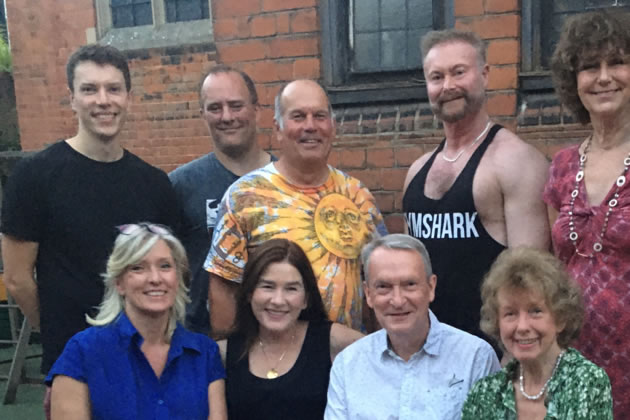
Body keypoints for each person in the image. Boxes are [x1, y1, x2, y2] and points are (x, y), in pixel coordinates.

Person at [1, 44, 179, 378]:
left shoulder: (154, 184)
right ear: (72, 98)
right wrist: (61, 331)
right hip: (72, 362)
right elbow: (17, 277)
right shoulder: (35, 177)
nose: (103, 100)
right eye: (89, 89)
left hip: (144, 358)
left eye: (113, 89)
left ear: (128, 97)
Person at [205, 79, 387, 337]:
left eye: (320, 116)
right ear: (278, 128)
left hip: (348, 360)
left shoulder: (358, 197)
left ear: (332, 127)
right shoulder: (244, 197)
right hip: (273, 364)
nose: (310, 126)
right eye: (298, 117)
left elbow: (379, 282)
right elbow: (223, 290)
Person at [402, 29, 550, 344]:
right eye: (436, 77)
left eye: (459, 72)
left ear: (484, 75)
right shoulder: (416, 171)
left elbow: (533, 281)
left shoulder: (515, 161)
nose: (448, 86)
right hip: (426, 356)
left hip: (489, 361)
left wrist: (512, 366)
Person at [46, 223, 227, 419]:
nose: (155, 278)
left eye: (165, 266)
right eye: (138, 268)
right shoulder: (82, 352)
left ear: (178, 277)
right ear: (119, 283)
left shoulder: (204, 353)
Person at [545, 10, 630, 416]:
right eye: (589, 67)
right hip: (576, 357)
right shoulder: (562, 165)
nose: (603, 77)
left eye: (617, 62)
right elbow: (556, 270)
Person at [325, 234, 499, 420]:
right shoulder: (348, 365)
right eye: (384, 286)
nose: (398, 300)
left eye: (409, 285)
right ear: (368, 294)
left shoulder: (475, 358)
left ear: (431, 287)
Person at [169, 65, 273, 335]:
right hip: (204, 343)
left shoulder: (286, 182)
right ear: (202, 114)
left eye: (236, 106)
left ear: (256, 110)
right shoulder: (180, 185)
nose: (227, 117)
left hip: (280, 342)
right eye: (215, 108)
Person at [462, 247, 612, 419]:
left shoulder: (587, 383)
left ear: (561, 317)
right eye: (510, 313)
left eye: (535, 311)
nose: (522, 326)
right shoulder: (485, 393)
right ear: (497, 322)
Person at [221, 238, 362, 420]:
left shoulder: (337, 343)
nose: (278, 300)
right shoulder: (223, 354)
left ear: (306, 299)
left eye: (291, 289)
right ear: (249, 293)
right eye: (268, 287)